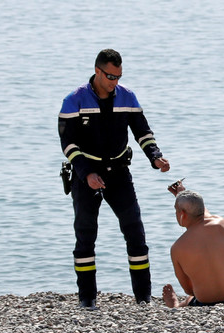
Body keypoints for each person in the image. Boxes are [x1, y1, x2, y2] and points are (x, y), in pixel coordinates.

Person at [58, 48, 171, 308]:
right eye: (110, 76)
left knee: (135, 233)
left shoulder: (127, 97)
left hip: (119, 174)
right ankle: (87, 300)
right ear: (97, 71)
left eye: (118, 77)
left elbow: (143, 132)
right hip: (86, 176)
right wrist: (86, 173)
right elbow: (68, 144)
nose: (115, 82)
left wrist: (155, 157)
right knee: (85, 236)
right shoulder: (74, 100)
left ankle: (143, 299)